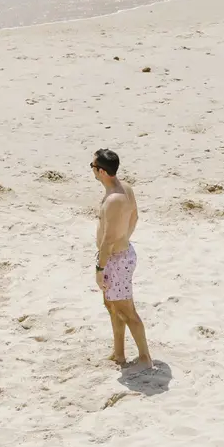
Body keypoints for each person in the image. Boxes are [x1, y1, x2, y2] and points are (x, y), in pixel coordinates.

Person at [92, 148, 150, 367]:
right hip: (118, 256)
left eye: (93, 167)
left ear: (102, 171)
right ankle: (119, 353)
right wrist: (125, 237)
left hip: (115, 260)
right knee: (112, 306)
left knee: (126, 310)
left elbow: (107, 240)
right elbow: (135, 216)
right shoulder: (125, 188)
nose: (92, 171)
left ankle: (145, 357)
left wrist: (100, 270)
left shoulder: (114, 200)